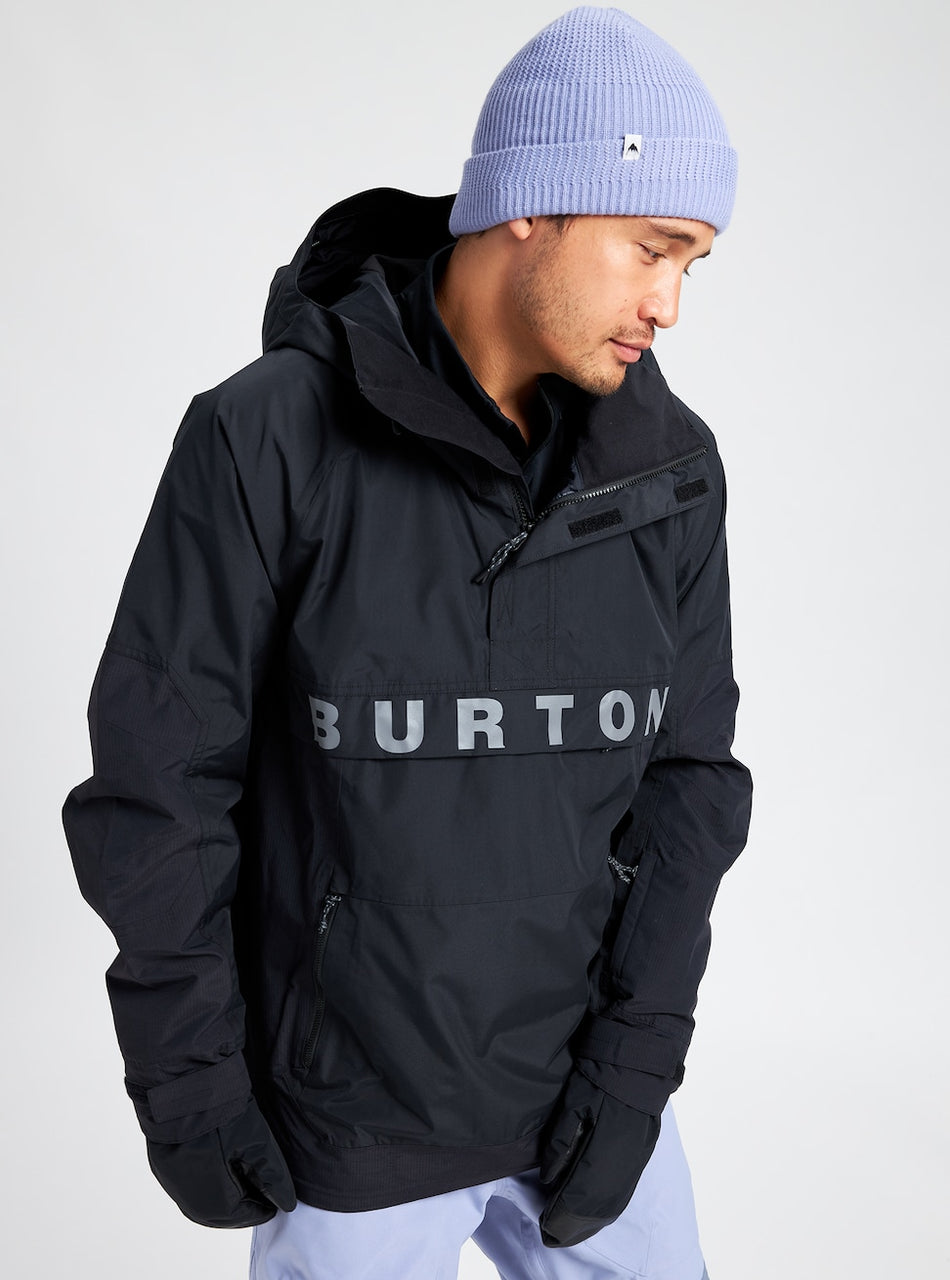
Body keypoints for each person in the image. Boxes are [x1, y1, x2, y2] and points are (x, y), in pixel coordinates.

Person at [64, 7, 751, 1278]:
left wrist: (633, 1075)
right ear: (528, 206)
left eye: (692, 264)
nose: (667, 303)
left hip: (587, 1110)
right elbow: (160, 782)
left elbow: (687, 793)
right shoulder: (266, 438)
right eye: (651, 248)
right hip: (349, 1128)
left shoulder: (667, 472)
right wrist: (189, 1080)